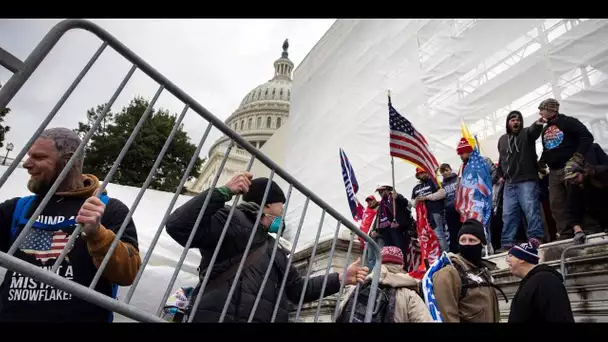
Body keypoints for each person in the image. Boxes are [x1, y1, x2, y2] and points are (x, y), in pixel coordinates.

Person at [165, 172, 368, 322]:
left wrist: (340, 279)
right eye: (282, 205)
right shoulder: (228, 218)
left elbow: (297, 290)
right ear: (268, 205)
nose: (282, 212)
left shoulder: (275, 247)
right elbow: (178, 226)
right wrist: (223, 192)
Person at [0, 127, 141, 322]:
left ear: (68, 161)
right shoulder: (17, 208)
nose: (27, 164)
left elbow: (128, 273)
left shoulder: (108, 209)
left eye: (39, 157)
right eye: (28, 156)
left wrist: (98, 234)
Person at [538, 98, 595, 243]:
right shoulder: (545, 129)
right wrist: (542, 162)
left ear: (551, 109)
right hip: (554, 171)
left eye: (542, 109)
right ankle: (564, 235)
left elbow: (587, 137)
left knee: (576, 199)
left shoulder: (568, 121)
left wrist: (578, 156)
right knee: (556, 204)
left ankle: (588, 230)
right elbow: (549, 148)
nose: (540, 112)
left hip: (570, 168)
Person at [336, 246, 433, 323]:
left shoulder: (357, 287)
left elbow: (339, 314)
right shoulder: (409, 295)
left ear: (379, 263)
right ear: (401, 265)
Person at [432, 219, 502, 322]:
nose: (467, 244)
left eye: (472, 240)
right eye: (463, 240)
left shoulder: (483, 271)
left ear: (481, 244)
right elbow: (447, 315)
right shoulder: (449, 272)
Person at [495, 110, 544, 252]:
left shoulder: (527, 133)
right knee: (508, 213)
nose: (516, 122)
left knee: (531, 209)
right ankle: (507, 242)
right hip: (509, 182)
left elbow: (534, 131)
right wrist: (499, 175)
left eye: (518, 120)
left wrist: (538, 123)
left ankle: (536, 237)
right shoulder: (502, 140)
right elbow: (502, 159)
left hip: (527, 179)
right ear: (508, 123)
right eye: (512, 120)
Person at [506, 242, 574, 322]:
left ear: (521, 259)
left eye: (510, 256)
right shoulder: (530, 281)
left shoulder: (546, 281)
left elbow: (558, 316)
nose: (507, 260)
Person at [411, 168, 449, 253]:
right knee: (428, 236)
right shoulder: (415, 188)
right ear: (418, 175)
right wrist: (417, 200)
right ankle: (436, 255)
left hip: (435, 212)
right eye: (421, 173)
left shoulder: (434, 181)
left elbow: (442, 193)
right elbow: (413, 204)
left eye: (425, 172)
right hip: (423, 217)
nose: (423, 174)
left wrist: (427, 197)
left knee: (438, 234)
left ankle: (446, 253)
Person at [374, 185, 414, 263]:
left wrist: (398, 197)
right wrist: (376, 230)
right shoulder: (381, 204)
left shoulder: (395, 198)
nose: (380, 193)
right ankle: (391, 264)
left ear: (388, 190)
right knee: (389, 249)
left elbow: (408, 204)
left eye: (382, 191)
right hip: (386, 230)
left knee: (399, 247)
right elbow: (378, 218)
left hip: (397, 228)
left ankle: (402, 264)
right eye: (379, 192)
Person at [563, 163, 608, 233]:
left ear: (582, 172)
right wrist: (577, 229)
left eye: (575, 177)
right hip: (594, 215)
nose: (573, 181)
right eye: (570, 179)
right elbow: (573, 208)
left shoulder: (601, 174)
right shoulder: (573, 186)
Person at [438, 163, 461, 253]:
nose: (445, 173)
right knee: (453, 232)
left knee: (463, 229)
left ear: (450, 169)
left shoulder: (457, 179)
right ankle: (455, 251)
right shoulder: (441, 185)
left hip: (460, 209)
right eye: (442, 172)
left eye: (446, 170)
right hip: (449, 211)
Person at [358, 195, 379, 271]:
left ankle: (373, 275)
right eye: (368, 201)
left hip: (373, 237)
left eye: (371, 200)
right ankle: (370, 274)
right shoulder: (366, 212)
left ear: (375, 200)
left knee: (373, 257)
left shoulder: (378, 209)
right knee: (369, 258)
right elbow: (363, 225)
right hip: (365, 238)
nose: (369, 202)